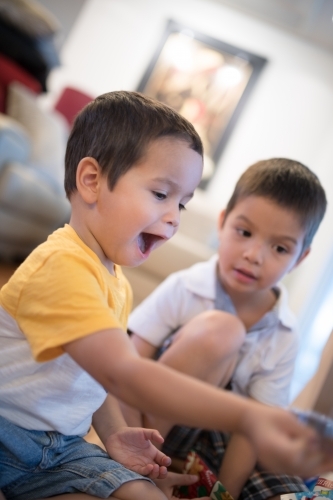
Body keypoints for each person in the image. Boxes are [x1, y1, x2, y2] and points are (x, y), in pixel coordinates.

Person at [0, 92, 331, 500]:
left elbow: (92, 376)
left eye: (183, 204)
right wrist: (249, 416)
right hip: (9, 438)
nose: (174, 216)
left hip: (63, 448)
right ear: (92, 181)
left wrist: (116, 434)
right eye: (161, 194)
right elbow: (122, 373)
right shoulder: (61, 266)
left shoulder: (113, 278)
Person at [125, 158, 328, 500]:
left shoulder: (284, 334)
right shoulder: (186, 287)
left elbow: (254, 428)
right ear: (222, 223)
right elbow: (126, 369)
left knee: (292, 487)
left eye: (279, 248)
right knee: (224, 330)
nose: (254, 255)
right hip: (151, 423)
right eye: (244, 232)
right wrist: (127, 448)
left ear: (300, 258)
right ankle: (139, 467)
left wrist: (224, 493)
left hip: (219, 445)